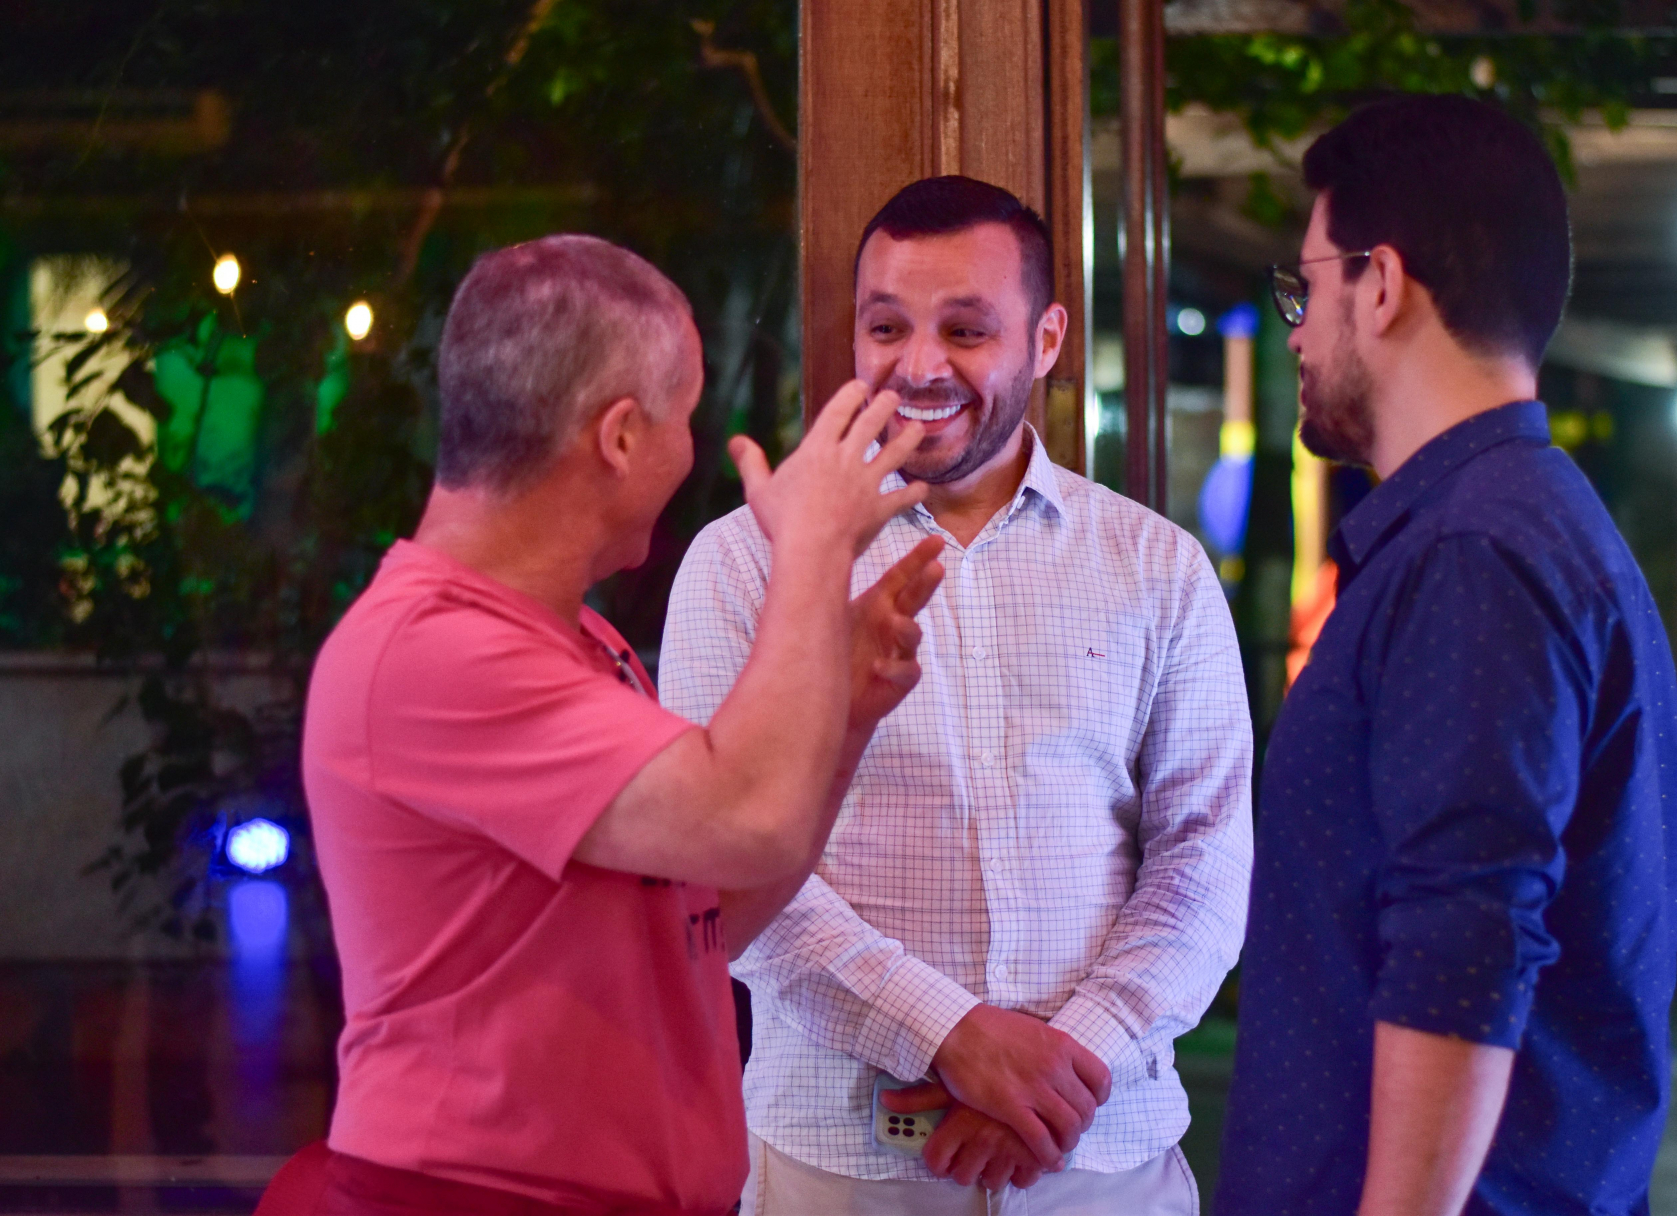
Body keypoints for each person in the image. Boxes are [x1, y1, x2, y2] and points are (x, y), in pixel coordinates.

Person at [302, 233, 947, 1215]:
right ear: (620, 437)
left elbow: (705, 914)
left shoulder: (581, 638)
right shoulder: (432, 651)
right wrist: (813, 547)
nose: (694, 452)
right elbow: (753, 818)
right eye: (685, 419)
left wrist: (847, 709)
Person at [660, 176, 1253, 1216]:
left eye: (967, 330)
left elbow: (1205, 860)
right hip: (840, 1167)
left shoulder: (1157, 566)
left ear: (1048, 338)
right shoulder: (746, 561)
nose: (920, 366)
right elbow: (719, 867)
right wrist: (951, 1038)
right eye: (887, 326)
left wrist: (1061, 1070)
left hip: (1106, 1161)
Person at [1214, 96, 1677, 1216]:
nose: (1296, 332)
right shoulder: (1520, 523)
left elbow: (1465, 941)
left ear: (1380, 284)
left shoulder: (1476, 552)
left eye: (1305, 290)